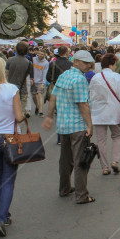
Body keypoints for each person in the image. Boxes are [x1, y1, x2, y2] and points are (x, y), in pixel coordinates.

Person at [43, 50, 95, 204]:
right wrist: (90, 125)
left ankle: (64, 188)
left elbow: (53, 96)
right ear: (76, 61)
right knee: (81, 161)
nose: (88, 66)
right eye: (85, 63)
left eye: (89, 63)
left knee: (65, 161)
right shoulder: (80, 80)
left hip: (63, 125)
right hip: (77, 125)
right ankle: (81, 195)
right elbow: (83, 105)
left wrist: (49, 116)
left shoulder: (64, 75)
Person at [0, 56, 27, 236]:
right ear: (3, 69)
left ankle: (4, 214)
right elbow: (18, 116)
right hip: (9, 138)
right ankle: (1, 217)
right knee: (8, 180)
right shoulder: (11, 89)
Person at [89, 53, 120, 175]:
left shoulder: (95, 77)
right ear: (112, 64)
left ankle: (104, 167)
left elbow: (91, 97)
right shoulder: (116, 77)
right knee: (117, 136)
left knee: (101, 140)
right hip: (114, 111)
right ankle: (115, 160)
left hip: (98, 113)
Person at [5, 41, 34, 118]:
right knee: (20, 114)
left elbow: (6, 74)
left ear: (16, 49)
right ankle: (18, 129)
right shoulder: (29, 63)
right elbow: (26, 75)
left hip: (9, 89)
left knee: (9, 113)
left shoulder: (10, 60)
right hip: (22, 89)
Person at [32, 49, 49, 116]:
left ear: (44, 55)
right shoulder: (33, 59)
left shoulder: (46, 63)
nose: (40, 55)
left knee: (40, 95)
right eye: (39, 53)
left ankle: (41, 112)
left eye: (42, 54)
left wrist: (43, 83)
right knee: (34, 96)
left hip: (40, 81)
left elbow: (45, 73)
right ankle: (37, 106)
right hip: (33, 80)